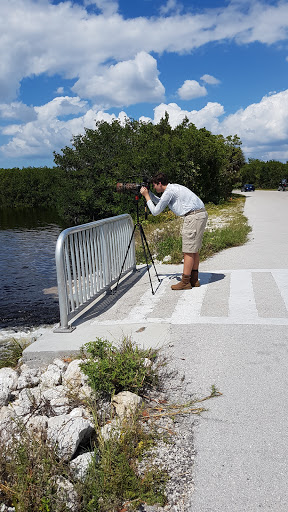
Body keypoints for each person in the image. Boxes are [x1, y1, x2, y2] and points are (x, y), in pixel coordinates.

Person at [140, 172, 208, 290]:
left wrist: (146, 197)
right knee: (193, 249)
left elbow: (155, 211)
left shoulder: (170, 192)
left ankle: (185, 282)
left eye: (154, 185)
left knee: (188, 250)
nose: (154, 188)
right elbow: (160, 202)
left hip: (193, 217)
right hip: (199, 214)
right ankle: (194, 280)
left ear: (160, 183)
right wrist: (149, 193)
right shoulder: (172, 189)